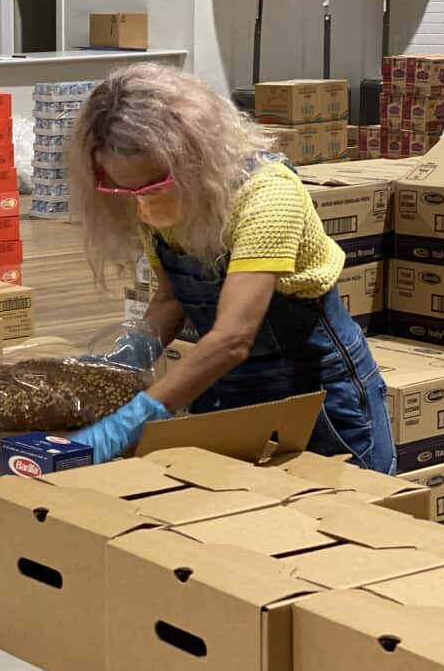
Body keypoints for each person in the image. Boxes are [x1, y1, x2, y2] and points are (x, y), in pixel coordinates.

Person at [66, 63, 395, 474]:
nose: (140, 202)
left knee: (352, 517)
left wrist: (132, 419)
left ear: (194, 159)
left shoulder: (268, 195)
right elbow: (172, 297)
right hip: (224, 386)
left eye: (151, 185)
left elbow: (233, 338)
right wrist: (128, 359)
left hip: (316, 397)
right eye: (124, 188)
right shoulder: (159, 205)